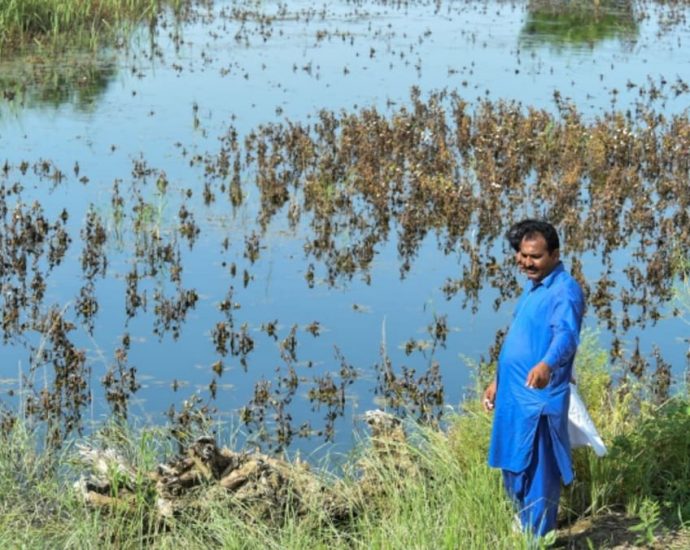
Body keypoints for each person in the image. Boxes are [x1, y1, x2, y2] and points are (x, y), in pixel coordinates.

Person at [483, 219, 585, 537]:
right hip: (513, 395)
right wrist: (498, 381)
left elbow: (566, 337)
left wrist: (547, 365)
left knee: (538, 470)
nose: (527, 262)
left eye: (535, 256)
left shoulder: (564, 290)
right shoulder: (534, 286)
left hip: (539, 399)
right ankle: (526, 525)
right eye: (522, 255)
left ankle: (538, 537)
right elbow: (520, 336)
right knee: (513, 466)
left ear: (554, 254)